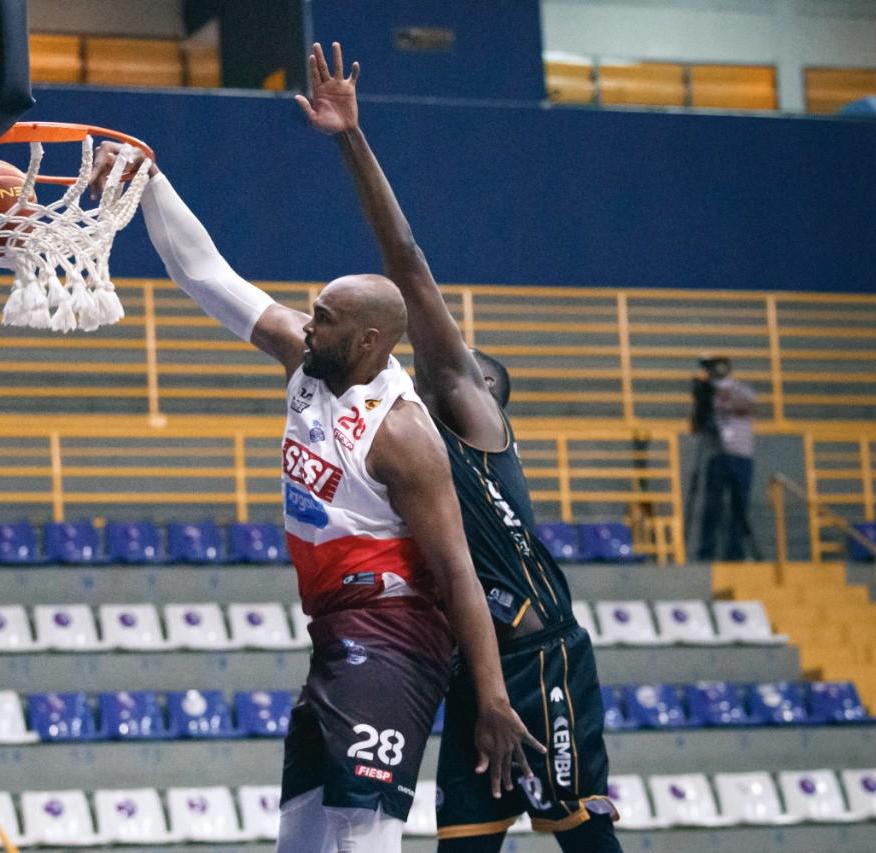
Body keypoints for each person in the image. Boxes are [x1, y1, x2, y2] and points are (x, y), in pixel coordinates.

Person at [92, 129, 542, 853]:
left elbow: (458, 568)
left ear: (368, 341)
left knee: (362, 827)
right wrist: (150, 181)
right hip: (336, 630)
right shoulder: (306, 363)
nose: (309, 320)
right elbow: (207, 274)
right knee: (301, 832)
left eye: (325, 316)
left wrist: (490, 692)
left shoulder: (402, 434)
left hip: (394, 635)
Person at [295, 42, 621, 851]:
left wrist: (350, 136)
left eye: (468, 361)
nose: (450, 354)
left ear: (484, 389)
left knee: (578, 833)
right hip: (475, 666)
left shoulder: (466, 412)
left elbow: (405, 261)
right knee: (465, 841)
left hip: (536, 655)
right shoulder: (398, 427)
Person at [690, 356, 757, 561]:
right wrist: (701, 403)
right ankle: (707, 550)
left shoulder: (740, 389)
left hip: (740, 454)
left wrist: (721, 395)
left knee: (739, 504)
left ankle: (735, 552)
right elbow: (695, 428)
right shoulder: (708, 395)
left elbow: (748, 407)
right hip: (716, 455)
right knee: (712, 505)